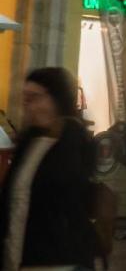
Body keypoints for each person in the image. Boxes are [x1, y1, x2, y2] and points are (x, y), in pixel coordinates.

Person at [0, 68, 96, 270]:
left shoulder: (74, 142)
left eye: (34, 97)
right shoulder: (29, 142)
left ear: (56, 99)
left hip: (58, 260)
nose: (28, 105)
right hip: (19, 257)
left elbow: (68, 195)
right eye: (25, 98)